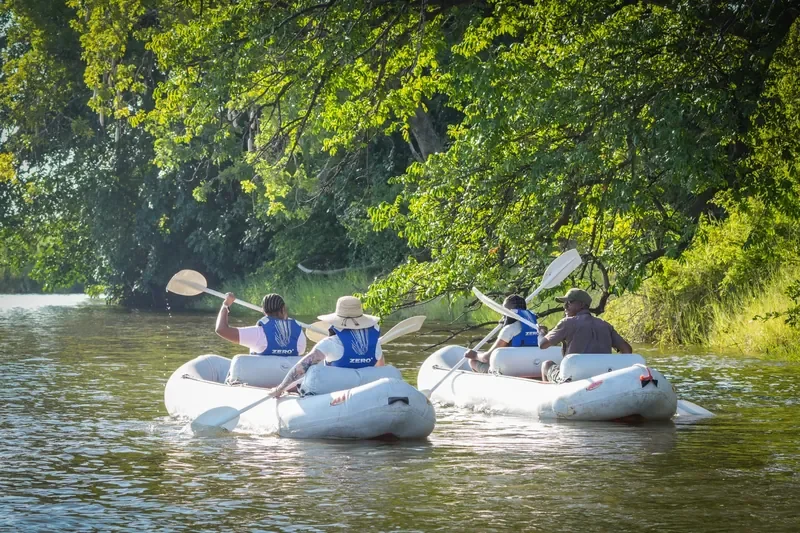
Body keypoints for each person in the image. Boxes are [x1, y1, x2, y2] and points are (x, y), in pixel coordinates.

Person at [268, 295, 384, 397]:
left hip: (334, 393)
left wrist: (280, 389)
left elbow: (301, 367)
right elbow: (379, 369)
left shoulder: (331, 343)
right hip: (363, 393)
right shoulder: (375, 344)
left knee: (312, 372)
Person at [538, 288, 632, 383]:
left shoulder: (567, 323)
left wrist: (542, 332)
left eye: (569, 302)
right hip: (603, 377)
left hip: (572, 378)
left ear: (582, 305)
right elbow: (627, 350)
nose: (565, 306)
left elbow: (543, 345)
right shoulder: (605, 325)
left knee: (546, 364)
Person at [464, 294, 539, 373]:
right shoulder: (537, 328)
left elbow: (487, 358)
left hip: (509, 371)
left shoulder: (509, 329)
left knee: (472, 361)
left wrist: (475, 355)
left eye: (504, 310)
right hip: (531, 368)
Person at [215, 292, 307, 357]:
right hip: (287, 379)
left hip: (259, 379)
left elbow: (221, 329)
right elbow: (301, 353)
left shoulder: (258, 333)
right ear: (283, 308)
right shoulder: (299, 333)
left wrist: (225, 305)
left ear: (263, 311)